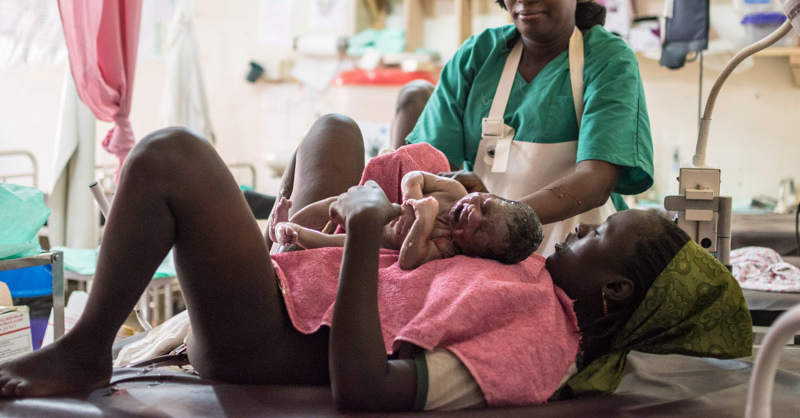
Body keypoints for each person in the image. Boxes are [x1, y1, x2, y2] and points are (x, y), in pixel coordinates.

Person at [0, 115, 751, 411]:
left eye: (594, 237)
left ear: (615, 291)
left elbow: (366, 388)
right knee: (335, 129)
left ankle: (87, 346)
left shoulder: (537, 339)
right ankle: (275, 237)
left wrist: (364, 234)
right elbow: (416, 280)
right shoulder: (530, 277)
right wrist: (427, 209)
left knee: (171, 156)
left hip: (267, 340)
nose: (577, 233)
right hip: (307, 281)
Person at [396, 0, 655, 255]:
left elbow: (597, 178)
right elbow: (435, 164)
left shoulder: (608, 59)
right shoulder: (479, 54)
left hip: (576, 255)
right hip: (483, 251)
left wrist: (507, 217)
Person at [269, 167, 543, 270]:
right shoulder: (455, 191)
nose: (474, 214)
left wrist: (424, 221)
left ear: (477, 254)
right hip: (383, 209)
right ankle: (288, 220)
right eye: (484, 205)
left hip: (377, 240)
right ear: (487, 193)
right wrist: (412, 199)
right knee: (334, 202)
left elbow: (408, 260)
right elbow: (415, 176)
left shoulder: (448, 246)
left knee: (332, 244)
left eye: (479, 231)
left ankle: (292, 233)